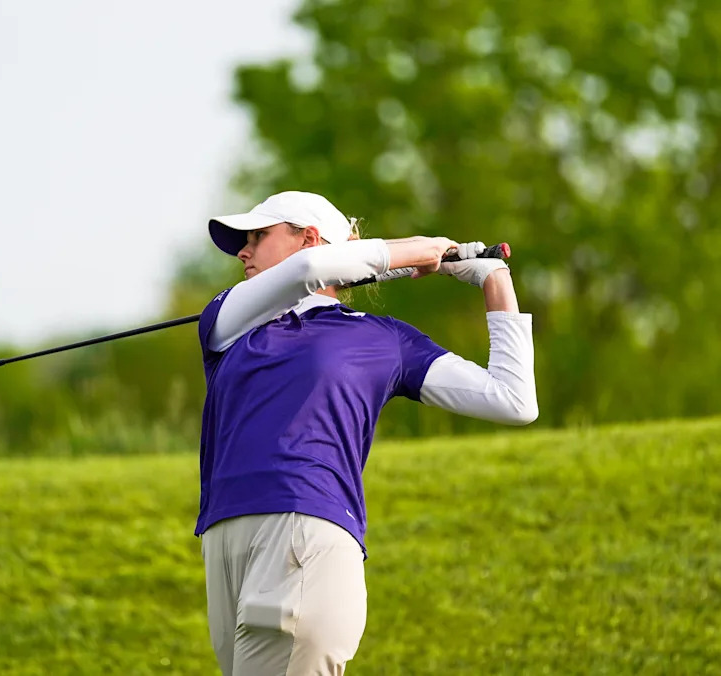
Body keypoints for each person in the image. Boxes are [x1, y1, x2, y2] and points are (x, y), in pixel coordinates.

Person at [196, 190, 538, 675]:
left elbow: (513, 400)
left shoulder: (384, 338)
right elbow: (305, 271)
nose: (243, 253)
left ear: (308, 238)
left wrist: (493, 279)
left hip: (306, 526)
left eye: (258, 237)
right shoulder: (226, 319)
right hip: (223, 536)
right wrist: (420, 248)